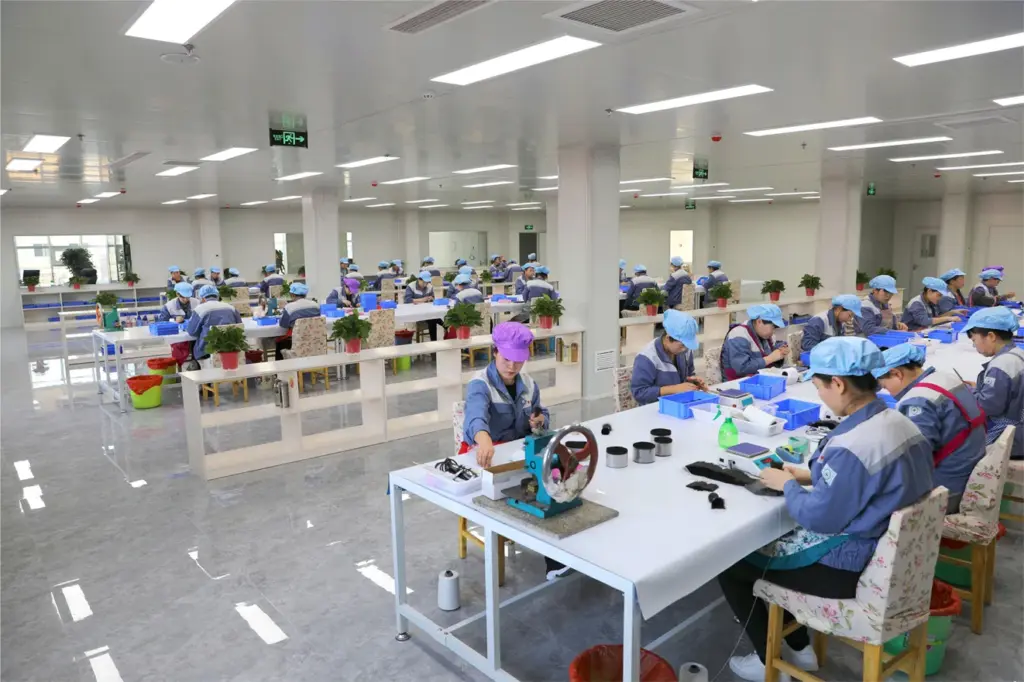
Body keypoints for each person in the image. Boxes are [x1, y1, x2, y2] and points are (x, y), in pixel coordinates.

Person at [720, 337, 935, 682]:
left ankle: (768, 661)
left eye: (819, 387)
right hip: (894, 557)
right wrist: (810, 476)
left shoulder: (852, 446)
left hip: (849, 564)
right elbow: (873, 479)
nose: (819, 395)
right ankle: (801, 648)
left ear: (838, 383)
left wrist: (787, 485)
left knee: (732, 562)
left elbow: (818, 517)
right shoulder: (900, 423)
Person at [463, 323, 570, 580]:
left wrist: (540, 421)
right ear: (495, 352)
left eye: (518, 361)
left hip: (520, 452)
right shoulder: (480, 384)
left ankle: (561, 551)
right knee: (529, 489)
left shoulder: (529, 384)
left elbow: (540, 414)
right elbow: (475, 417)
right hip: (489, 455)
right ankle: (553, 557)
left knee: (556, 477)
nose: (512, 367)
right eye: (507, 359)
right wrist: (484, 439)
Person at [874, 344, 986, 513]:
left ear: (897, 374)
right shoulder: (944, 377)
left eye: (885, 386)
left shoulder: (918, 400)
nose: (888, 392)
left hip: (948, 489)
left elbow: (915, 458)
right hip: (969, 467)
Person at [962, 307, 1024, 460]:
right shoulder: (1017, 353)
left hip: (1014, 438)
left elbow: (988, 406)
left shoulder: (1001, 365)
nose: (974, 346)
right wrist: (980, 387)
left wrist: (969, 391)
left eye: (974, 340)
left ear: (991, 336)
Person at [630, 310, 706, 405]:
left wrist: (693, 381)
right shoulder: (647, 357)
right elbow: (639, 393)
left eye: (687, 345)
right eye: (682, 345)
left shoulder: (685, 350)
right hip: (655, 407)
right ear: (668, 338)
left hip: (679, 403)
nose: (685, 349)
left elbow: (689, 373)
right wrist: (673, 389)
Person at [721, 304, 790, 380]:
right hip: (737, 382)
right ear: (759, 321)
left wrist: (781, 349)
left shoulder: (765, 334)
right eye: (773, 327)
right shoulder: (739, 335)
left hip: (759, 379)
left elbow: (773, 347)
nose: (773, 332)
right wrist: (770, 358)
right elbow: (741, 368)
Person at [186, 285, 243, 362]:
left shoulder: (199, 309)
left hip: (207, 351)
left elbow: (192, 332)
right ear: (217, 296)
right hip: (231, 349)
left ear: (202, 298)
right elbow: (239, 328)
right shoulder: (231, 308)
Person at [274, 282, 320, 356]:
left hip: (297, 343)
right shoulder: (316, 306)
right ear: (305, 294)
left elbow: (283, 325)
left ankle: (283, 362)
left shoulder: (289, 307)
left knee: (280, 341)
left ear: (292, 294)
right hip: (315, 342)